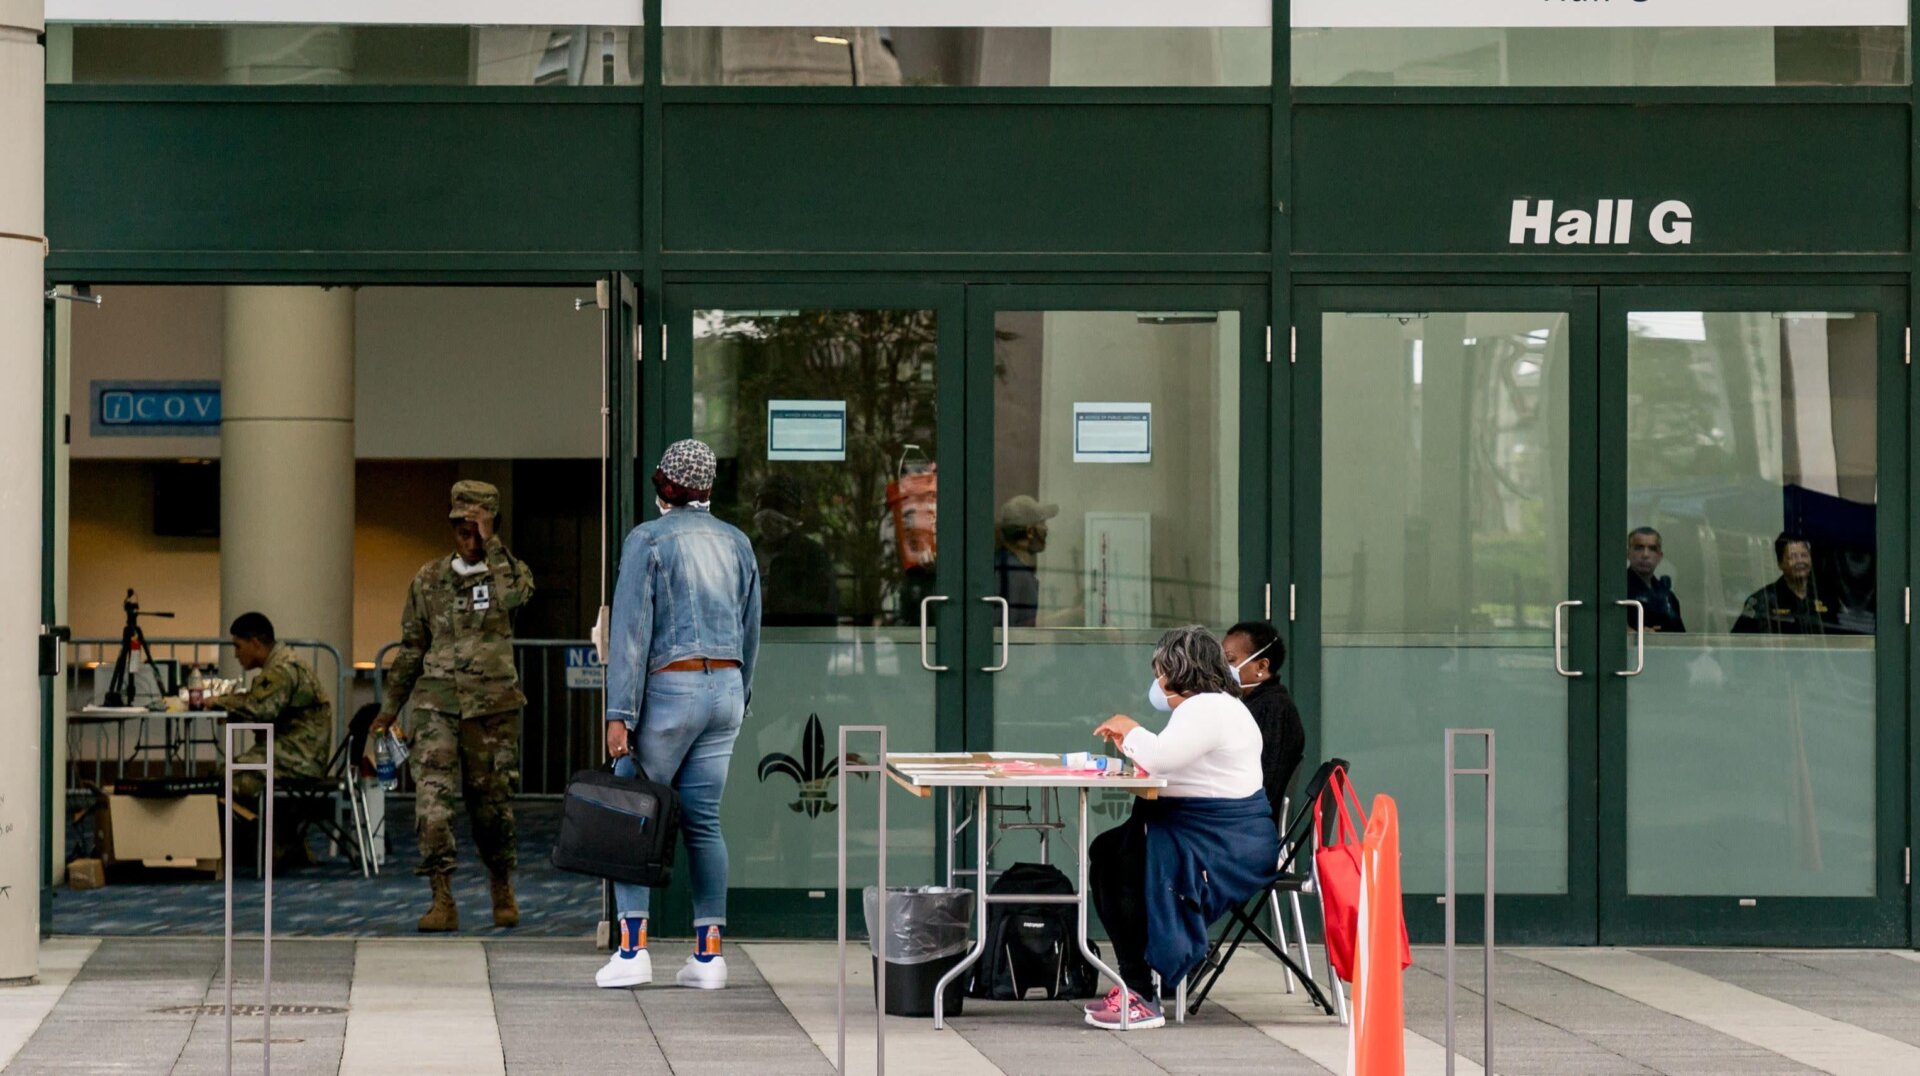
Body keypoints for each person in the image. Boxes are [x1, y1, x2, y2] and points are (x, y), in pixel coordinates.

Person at [597, 439, 761, 991]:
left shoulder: (647, 539)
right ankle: (708, 956)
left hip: (671, 688)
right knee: (704, 821)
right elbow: (750, 628)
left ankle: (632, 950)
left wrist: (619, 712)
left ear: (665, 487)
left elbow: (630, 636)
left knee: (632, 813)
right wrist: (742, 695)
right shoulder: (738, 542)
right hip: (726, 690)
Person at [1083, 625, 1278, 1031]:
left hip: (1224, 842)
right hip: (1214, 831)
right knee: (1111, 851)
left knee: (1118, 862)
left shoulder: (1207, 708)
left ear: (1177, 671)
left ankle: (1139, 990)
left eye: (1161, 670)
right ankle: (1137, 980)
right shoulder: (1216, 706)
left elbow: (1160, 758)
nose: (1157, 681)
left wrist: (1128, 727)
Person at [372, 480, 535, 933]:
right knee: (432, 806)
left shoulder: (509, 571)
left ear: (491, 527)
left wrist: (492, 546)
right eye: (459, 528)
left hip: (492, 708)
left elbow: (517, 599)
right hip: (436, 704)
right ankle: (442, 897)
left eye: (475, 528)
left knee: (491, 807)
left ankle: (501, 882)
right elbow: (411, 647)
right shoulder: (428, 579)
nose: (466, 537)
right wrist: (389, 708)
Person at [206, 612, 335, 865]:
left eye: (238, 646)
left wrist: (217, 702)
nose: (235, 654)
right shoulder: (285, 664)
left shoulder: (281, 670)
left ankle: (266, 846)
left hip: (294, 758)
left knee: (224, 779)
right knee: (230, 773)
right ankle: (283, 843)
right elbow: (262, 705)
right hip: (301, 754)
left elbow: (261, 709)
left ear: (255, 643)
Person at [1222, 620, 1304, 822]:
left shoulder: (1273, 710)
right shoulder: (1255, 704)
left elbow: (1266, 783)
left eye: (1230, 661)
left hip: (1245, 822)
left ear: (1261, 665)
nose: (1222, 668)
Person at [753, 474, 837, 627]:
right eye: (763, 504)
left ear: (796, 513)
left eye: (779, 505)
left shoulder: (813, 556)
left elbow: (824, 613)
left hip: (794, 644)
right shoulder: (745, 552)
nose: (768, 513)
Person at [1734, 532, 1839, 635]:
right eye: (1793, 557)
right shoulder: (1762, 600)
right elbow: (1740, 643)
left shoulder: (1827, 596)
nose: (1800, 561)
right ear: (1780, 563)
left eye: (1804, 555)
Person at [993, 495, 1057, 628]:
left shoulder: (1004, 564)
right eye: (1042, 523)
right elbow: (1014, 629)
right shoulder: (1013, 572)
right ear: (1030, 531)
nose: (1046, 529)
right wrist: (1069, 616)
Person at [1626, 527, 1686, 633]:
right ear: (1628, 554)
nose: (1645, 554)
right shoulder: (1617, 589)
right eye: (1639, 548)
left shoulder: (1668, 596)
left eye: (1652, 549)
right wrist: (1632, 634)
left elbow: (1681, 638)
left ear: (1659, 556)